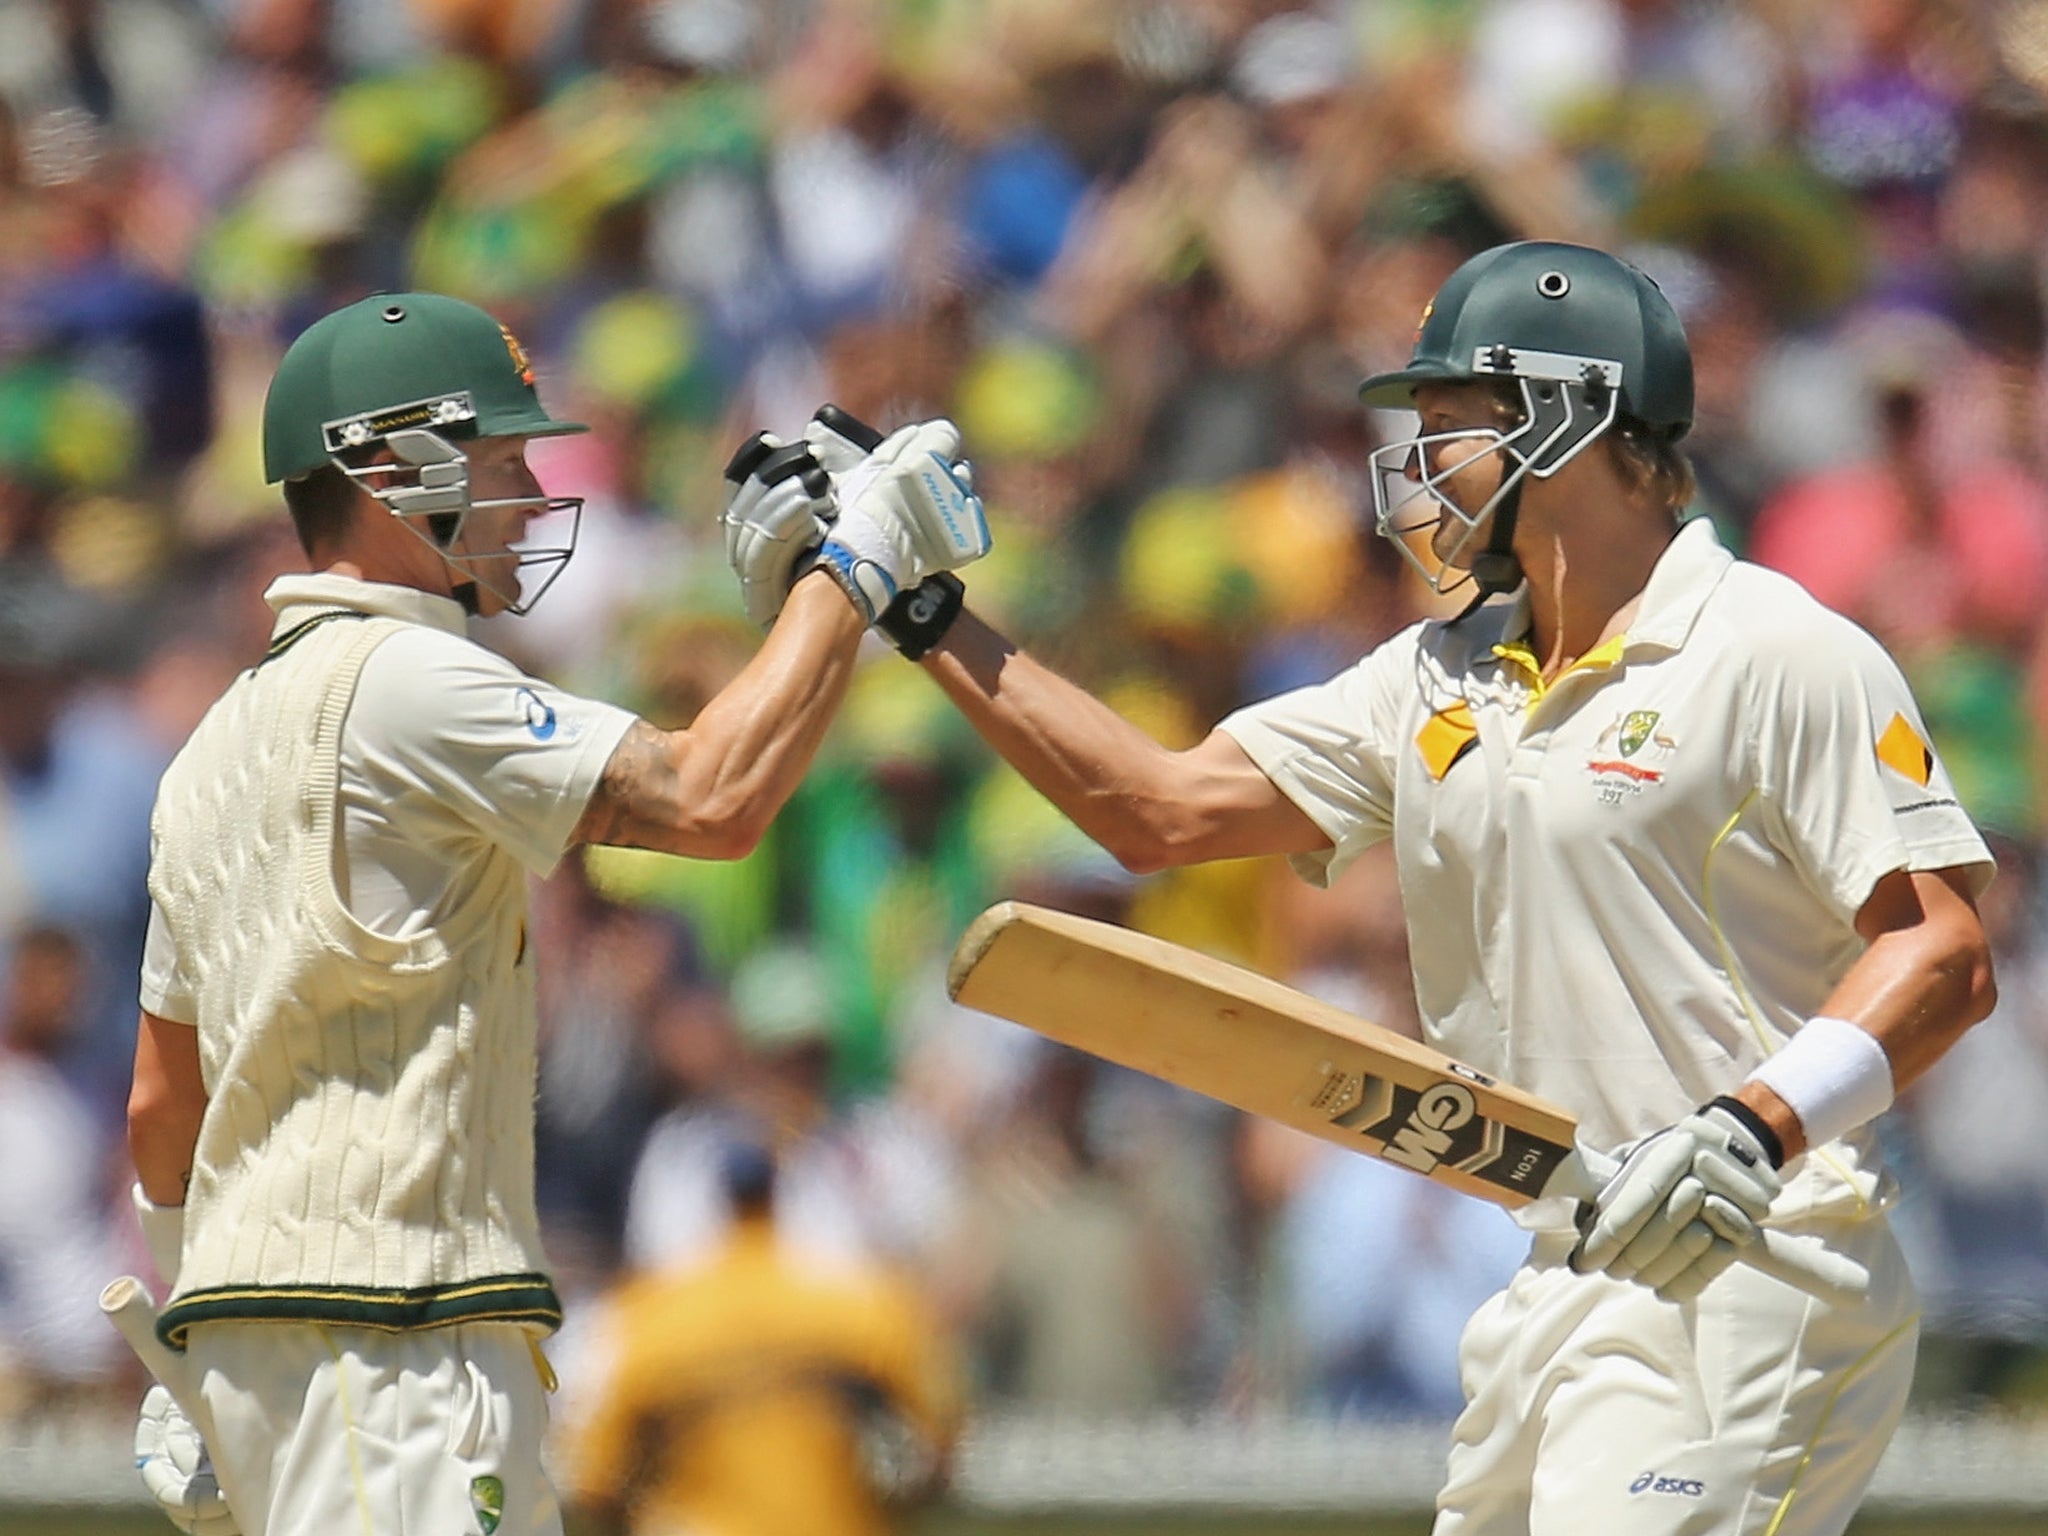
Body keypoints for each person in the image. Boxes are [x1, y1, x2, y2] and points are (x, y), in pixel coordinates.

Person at [734, 241, 1999, 1534]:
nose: (1415, 468)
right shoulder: (1434, 675)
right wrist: (922, 611)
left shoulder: (1777, 652)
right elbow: (1154, 811)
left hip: (1751, 1255)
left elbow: (1946, 950)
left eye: (1445, 428)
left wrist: (1752, 1125)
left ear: (1563, 416)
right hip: (1558, 1267)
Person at [121, 290, 989, 1536]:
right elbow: (710, 800)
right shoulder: (408, 677)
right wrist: (850, 573)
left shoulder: (206, 754)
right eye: (504, 460)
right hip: (394, 1342)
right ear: (390, 467)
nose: (531, 496)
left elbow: (163, 1105)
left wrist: (201, 1309)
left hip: (303, 1336)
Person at [563, 1139, 961, 1536]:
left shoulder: (651, 1314)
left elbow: (593, 1476)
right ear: (776, 1195)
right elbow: (942, 1418)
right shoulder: (855, 1299)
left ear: (719, 1201)